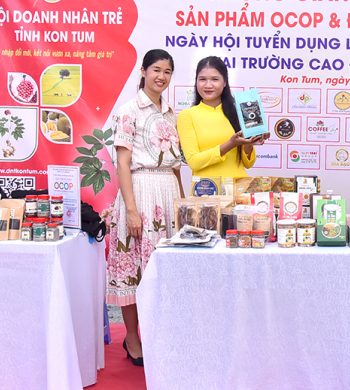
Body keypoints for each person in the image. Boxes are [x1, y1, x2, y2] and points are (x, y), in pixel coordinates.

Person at [106, 49, 185, 367]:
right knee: (133, 269)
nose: (161, 77)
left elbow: (176, 166)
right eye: (156, 70)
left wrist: (181, 206)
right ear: (143, 71)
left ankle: (158, 334)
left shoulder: (172, 115)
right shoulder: (129, 111)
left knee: (161, 272)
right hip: (139, 192)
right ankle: (132, 338)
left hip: (167, 195)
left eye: (167, 71)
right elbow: (122, 163)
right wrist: (131, 210)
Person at [177, 56, 269, 180]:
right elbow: (194, 162)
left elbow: (248, 163)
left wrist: (249, 143)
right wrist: (230, 144)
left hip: (238, 188)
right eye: (202, 79)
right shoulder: (187, 116)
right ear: (196, 81)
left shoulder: (240, 112)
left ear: (225, 82)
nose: (208, 85)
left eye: (215, 79)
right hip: (207, 188)